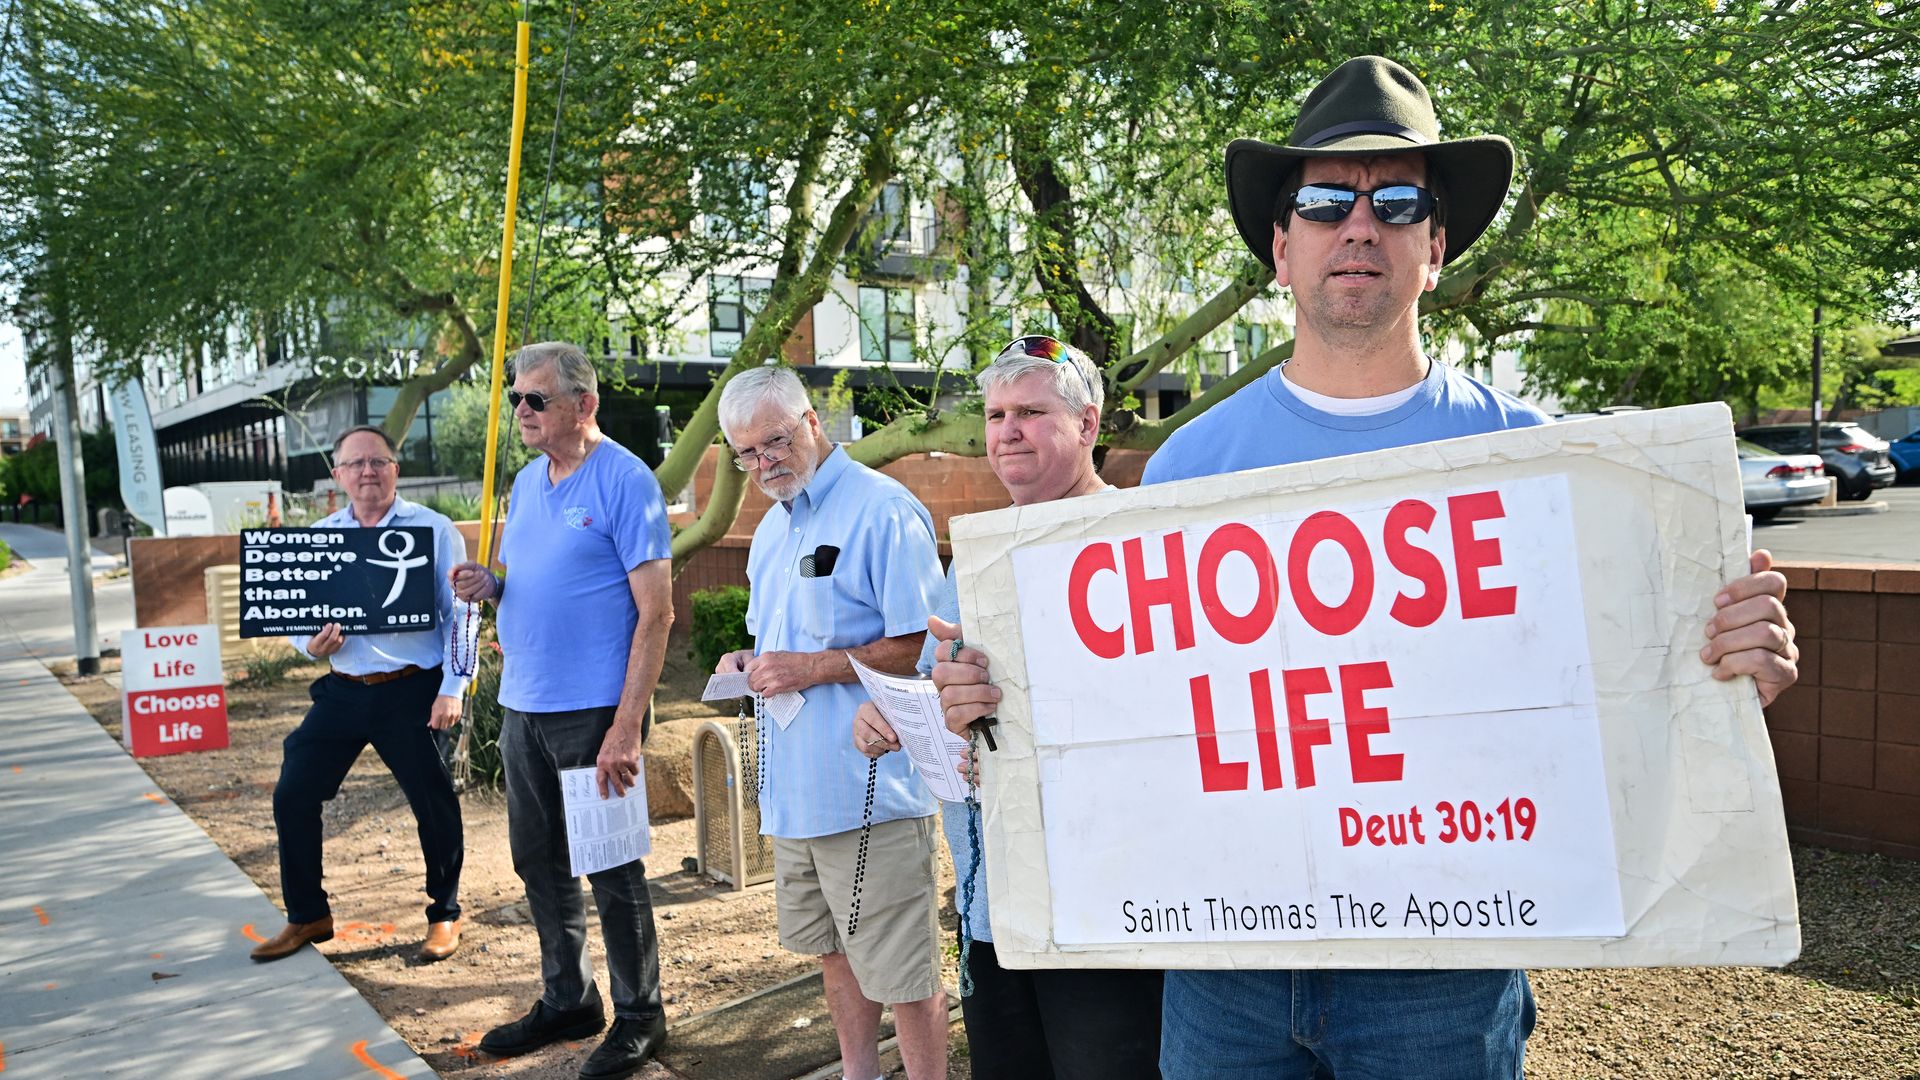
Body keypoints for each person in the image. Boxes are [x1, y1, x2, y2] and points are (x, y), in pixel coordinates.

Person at [931, 56, 1801, 1080]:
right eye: (1324, 201)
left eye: (1396, 202)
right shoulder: (1185, 471)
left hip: (1443, 973)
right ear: (1280, 247)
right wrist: (994, 703)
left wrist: (1731, 672)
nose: (1359, 225)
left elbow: (1621, 701)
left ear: (1434, 247)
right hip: (1222, 971)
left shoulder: (1544, 466)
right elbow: (1118, 720)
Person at [853, 336, 1164, 1078]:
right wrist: (901, 716)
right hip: (992, 905)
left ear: (1088, 424)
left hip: (1101, 910)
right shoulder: (984, 550)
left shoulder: (1135, 540)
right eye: (995, 414)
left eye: (1030, 411)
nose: (1006, 431)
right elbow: (950, 692)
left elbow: (1159, 718)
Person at [712, 364, 950, 1080]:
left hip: (869, 790)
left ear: (813, 421)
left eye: (775, 441)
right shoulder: (768, 533)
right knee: (833, 953)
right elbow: (785, 649)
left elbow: (924, 641)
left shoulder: (881, 509)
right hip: (795, 796)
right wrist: (749, 662)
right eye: (746, 453)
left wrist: (808, 669)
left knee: (903, 972)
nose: (764, 464)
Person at [448, 342, 673, 1080]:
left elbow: (657, 615)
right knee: (538, 862)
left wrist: (624, 726)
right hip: (525, 708)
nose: (521, 412)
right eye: (517, 399)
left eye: (536, 399)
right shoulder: (526, 480)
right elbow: (530, 578)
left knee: (611, 868)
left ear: (585, 404)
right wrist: (494, 583)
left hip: (594, 712)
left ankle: (641, 1015)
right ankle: (569, 998)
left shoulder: (626, 481)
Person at [253, 424, 468, 965]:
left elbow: (463, 613)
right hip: (344, 690)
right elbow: (295, 618)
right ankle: (308, 915)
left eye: (379, 461)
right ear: (337, 475)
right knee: (293, 793)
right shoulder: (320, 537)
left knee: (433, 805)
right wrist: (312, 643)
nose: (368, 472)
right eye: (356, 464)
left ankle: (444, 916)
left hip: (415, 691)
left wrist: (453, 688)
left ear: (396, 469)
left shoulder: (434, 530)